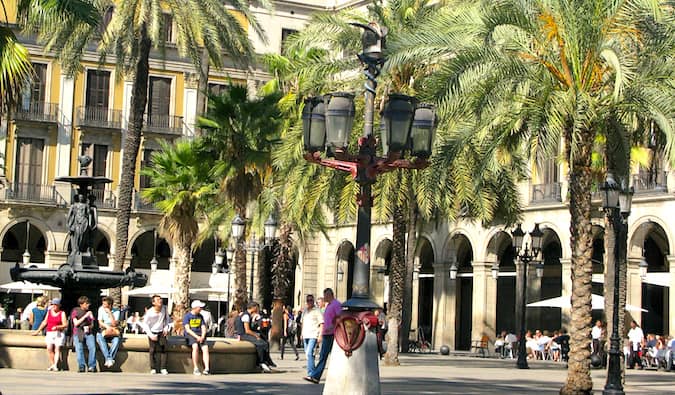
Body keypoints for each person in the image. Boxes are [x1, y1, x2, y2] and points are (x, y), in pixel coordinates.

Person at [305, 288, 341, 384]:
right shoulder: (329, 305)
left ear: (330, 295)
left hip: (331, 334)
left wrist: (332, 327)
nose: (324, 297)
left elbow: (339, 317)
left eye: (325, 295)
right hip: (327, 333)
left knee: (323, 356)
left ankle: (315, 376)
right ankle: (315, 375)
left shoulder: (336, 304)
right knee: (324, 356)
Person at [235, 301, 275, 372]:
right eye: (257, 307)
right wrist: (256, 335)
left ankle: (266, 361)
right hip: (244, 335)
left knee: (265, 342)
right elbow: (247, 330)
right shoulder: (246, 316)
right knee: (261, 343)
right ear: (253, 307)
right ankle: (261, 362)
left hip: (244, 334)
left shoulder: (247, 315)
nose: (257, 309)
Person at [139, 295, 172, 375]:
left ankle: (163, 368)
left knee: (164, 349)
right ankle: (153, 368)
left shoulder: (164, 308)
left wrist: (166, 328)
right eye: (157, 300)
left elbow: (167, 319)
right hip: (152, 331)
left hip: (161, 331)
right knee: (152, 350)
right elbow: (145, 324)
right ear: (153, 303)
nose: (160, 301)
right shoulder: (150, 312)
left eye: (160, 299)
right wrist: (150, 335)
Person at [32, 298, 67, 371]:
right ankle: (53, 364)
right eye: (53, 304)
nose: (54, 306)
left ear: (59, 305)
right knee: (49, 348)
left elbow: (65, 324)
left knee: (57, 348)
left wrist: (57, 327)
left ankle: (55, 365)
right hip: (50, 332)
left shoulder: (62, 313)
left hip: (59, 333)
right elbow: (44, 322)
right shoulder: (49, 312)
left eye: (56, 305)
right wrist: (37, 331)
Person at [183, 300, 210, 375]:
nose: (201, 309)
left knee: (205, 348)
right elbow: (187, 329)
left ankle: (207, 368)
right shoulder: (187, 316)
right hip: (191, 335)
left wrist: (202, 336)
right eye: (200, 307)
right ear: (195, 308)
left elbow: (203, 327)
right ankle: (195, 368)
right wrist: (196, 337)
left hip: (200, 335)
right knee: (195, 347)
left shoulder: (200, 316)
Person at [71, 296, 97, 373]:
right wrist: (85, 316)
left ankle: (92, 366)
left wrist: (89, 326)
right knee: (79, 349)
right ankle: (81, 366)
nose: (88, 305)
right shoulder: (75, 311)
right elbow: (76, 323)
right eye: (86, 303)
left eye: (88, 303)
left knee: (92, 347)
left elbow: (92, 324)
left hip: (88, 332)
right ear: (81, 304)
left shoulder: (90, 312)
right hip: (78, 332)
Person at [301, 294, 323, 377]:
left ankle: (311, 373)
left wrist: (320, 335)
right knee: (308, 354)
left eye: (311, 300)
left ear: (313, 301)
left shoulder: (317, 310)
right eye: (308, 300)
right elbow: (302, 322)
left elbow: (321, 323)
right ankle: (313, 372)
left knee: (309, 353)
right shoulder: (305, 311)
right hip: (305, 334)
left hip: (313, 335)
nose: (309, 302)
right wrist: (301, 334)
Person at [96, 296, 121, 369]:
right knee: (100, 338)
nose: (103, 306)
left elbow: (114, 324)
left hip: (113, 329)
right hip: (104, 328)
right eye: (103, 304)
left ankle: (108, 359)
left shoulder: (117, 311)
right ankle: (109, 359)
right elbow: (100, 322)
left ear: (110, 305)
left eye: (105, 305)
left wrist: (110, 313)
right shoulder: (100, 309)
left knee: (116, 341)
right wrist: (107, 327)